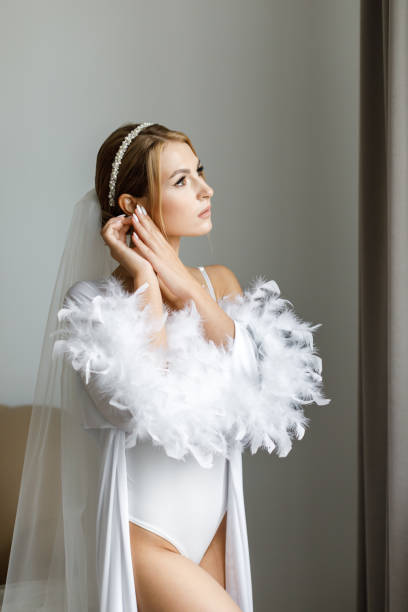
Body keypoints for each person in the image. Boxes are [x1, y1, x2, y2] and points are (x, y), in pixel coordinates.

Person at [3, 122, 330, 612]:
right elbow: (140, 401)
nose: (205, 188)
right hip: (144, 538)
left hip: (217, 528)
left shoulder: (220, 283)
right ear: (133, 207)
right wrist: (144, 279)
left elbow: (257, 387)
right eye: (181, 181)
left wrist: (187, 286)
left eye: (199, 172)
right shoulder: (93, 304)